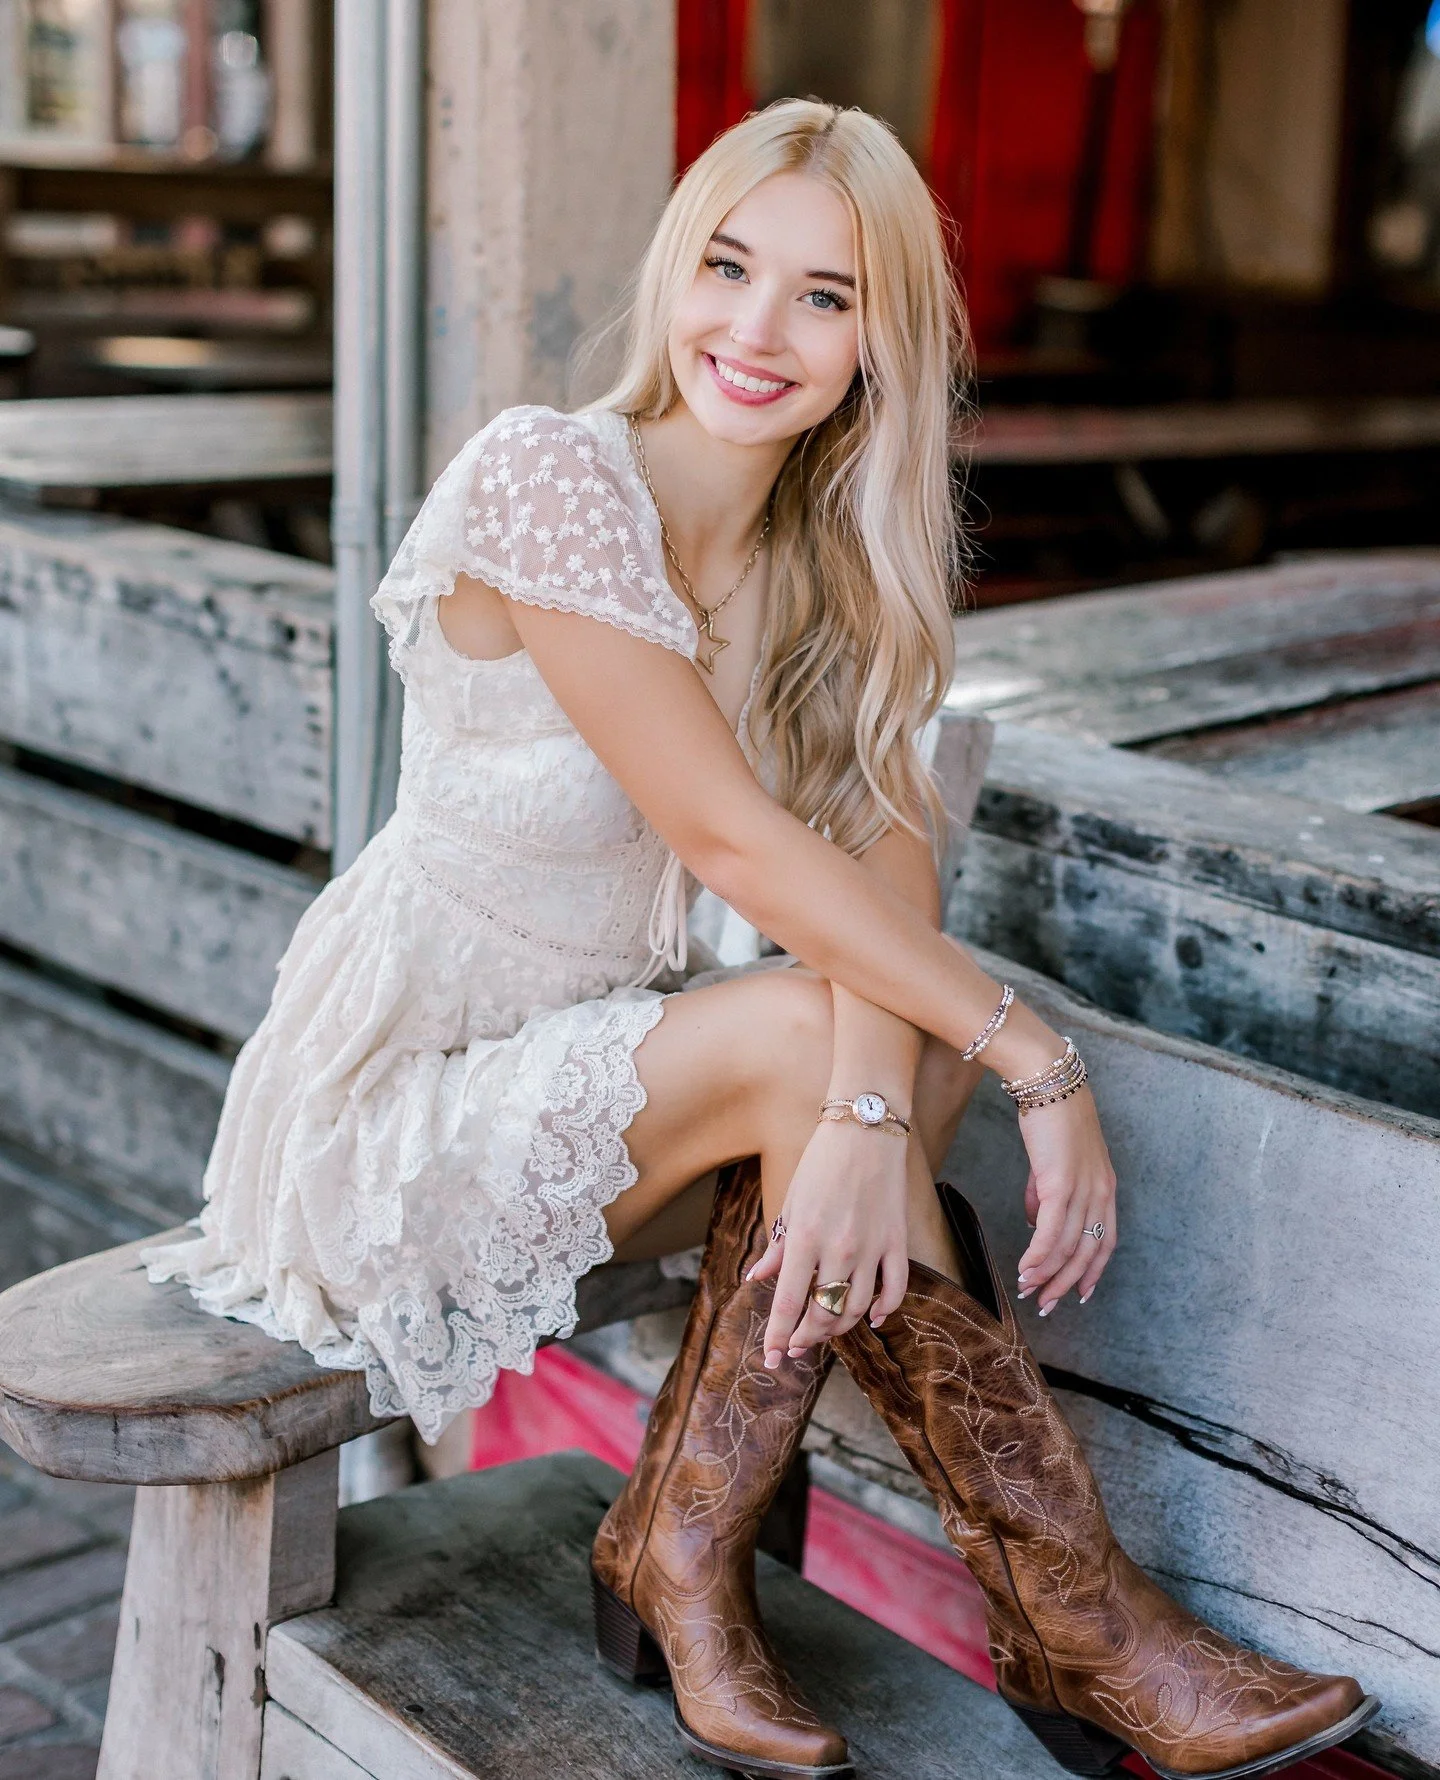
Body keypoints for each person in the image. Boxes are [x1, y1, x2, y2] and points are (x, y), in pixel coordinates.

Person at [142, 99, 1377, 1780]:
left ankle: (702, 1545)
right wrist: (1035, 1058)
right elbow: (733, 839)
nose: (756, 328)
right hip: (400, 1105)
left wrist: (879, 1109)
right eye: (730, 266)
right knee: (852, 1033)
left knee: (871, 1048)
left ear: (883, 342)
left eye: (826, 294)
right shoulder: (551, 478)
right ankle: (1074, 1613)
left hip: (606, 1086)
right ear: (677, 268)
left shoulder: (823, 559)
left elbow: (888, 852)